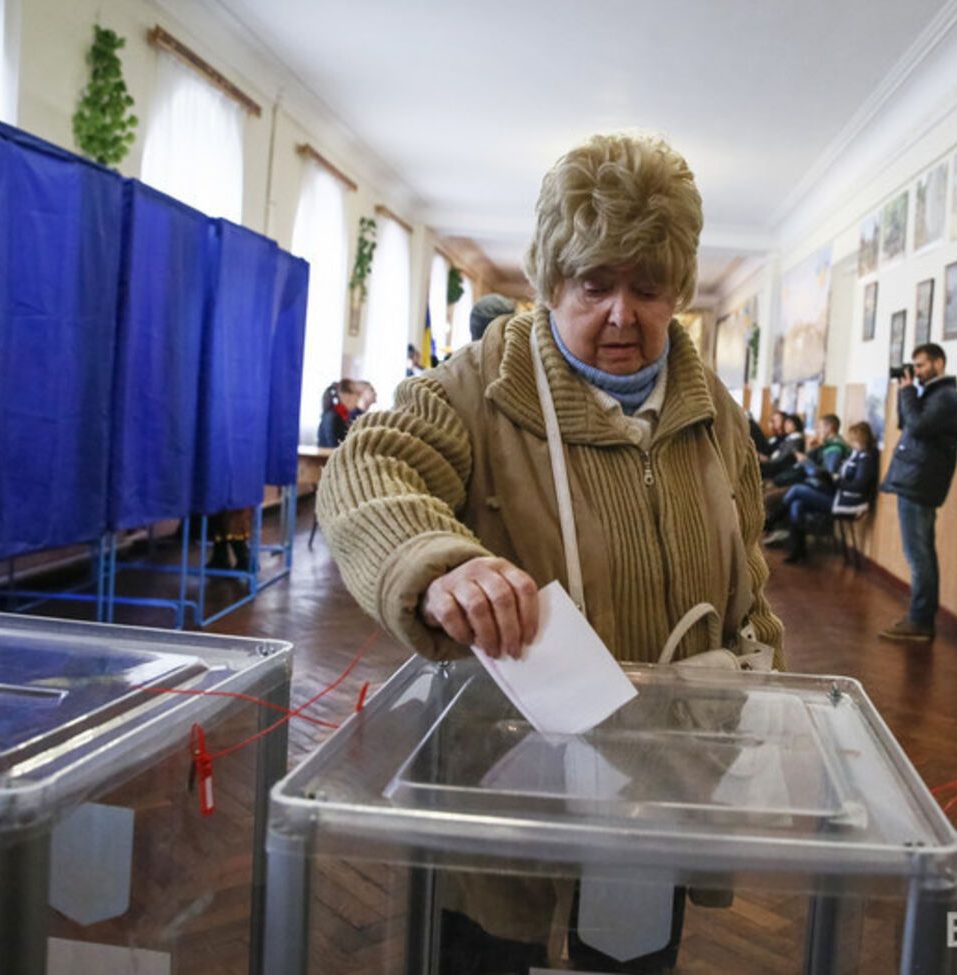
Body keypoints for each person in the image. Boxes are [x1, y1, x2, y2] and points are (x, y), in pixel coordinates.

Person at [318, 133, 783, 971]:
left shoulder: (710, 405)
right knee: (488, 943)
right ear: (550, 279)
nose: (621, 314)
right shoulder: (478, 382)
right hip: (508, 769)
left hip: (662, 776)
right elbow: (366, 471)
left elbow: (747, 556)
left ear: (676, 290)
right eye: (594, 284)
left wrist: (756, 669)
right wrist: (439, 560)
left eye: (648, 289)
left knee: (634, 953)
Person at [879, 343, 957, 642]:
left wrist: (907, 391)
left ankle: (920, 621)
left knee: (919, 556)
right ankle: (919, 618)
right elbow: (907, 422)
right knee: (919, 553)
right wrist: (908, 391)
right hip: (916, 481)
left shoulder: (946, 396)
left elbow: (917, 425)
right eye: (915, 366)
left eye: (922, 365)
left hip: (921, 485)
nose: (917, 371)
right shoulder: (932, 394)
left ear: (939, 363)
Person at [782, 421, 878, 563]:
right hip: (837, 494)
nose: (850, 443)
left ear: (860, 439)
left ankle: (774, 519)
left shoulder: (866, 460)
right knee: (797, 504)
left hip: (847, 502)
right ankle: (797, 551)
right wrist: (832, 478)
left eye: (853, 439)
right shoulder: (855, 455)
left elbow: (858, 485)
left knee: (797, 490)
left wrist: (837, 480)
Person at [759, 413, 805, 481]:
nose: (786, 426)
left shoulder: (796, 440)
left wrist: (767, 461)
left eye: (789, 423)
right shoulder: (789, 439)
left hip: (781, 469)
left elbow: (782, 459)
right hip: (775, 465)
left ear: (795, 425)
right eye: (785, 423)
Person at [316, 379, 362, 448]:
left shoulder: (341, 415)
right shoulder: (333, 417)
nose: (359, 397)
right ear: (345, 395)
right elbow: (334, 447)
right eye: (357, 393)